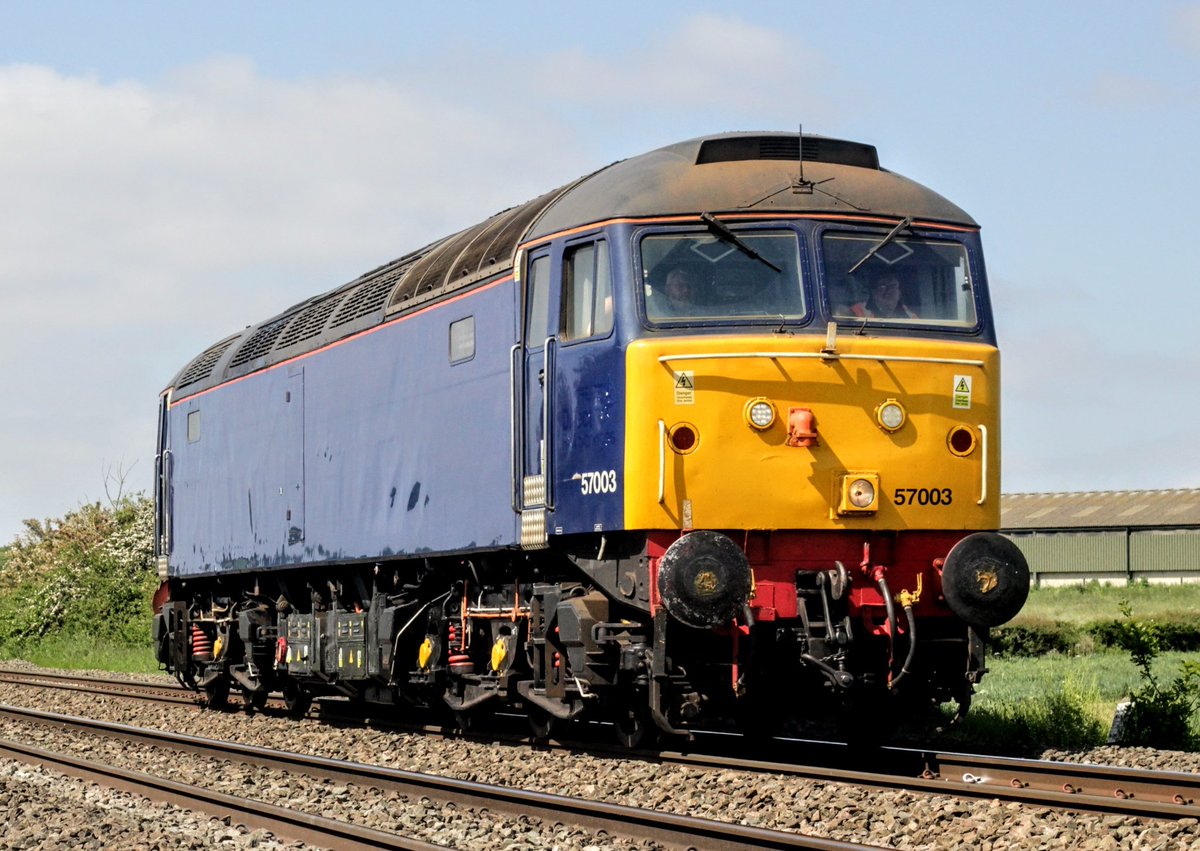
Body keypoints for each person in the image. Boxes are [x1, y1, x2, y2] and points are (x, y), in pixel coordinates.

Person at [851, 272, 917, 319]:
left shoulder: (911, 318)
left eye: (893, 286)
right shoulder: (857, 311)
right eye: (882, 287)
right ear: (874, 293)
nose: (888, 291)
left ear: (899, 292)